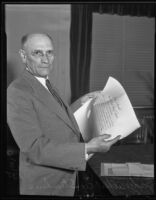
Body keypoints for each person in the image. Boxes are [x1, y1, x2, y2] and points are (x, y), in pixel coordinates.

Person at [7, 33, 120, 196]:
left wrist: (80, 102)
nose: (45, 59)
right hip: (44, 184)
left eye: (49, 52)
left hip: (64, 178)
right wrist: (89, 147)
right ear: (23, 56)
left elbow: (54, 117)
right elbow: (34, 148)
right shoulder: (17, 91)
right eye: (37, 53)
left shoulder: (44, 82)